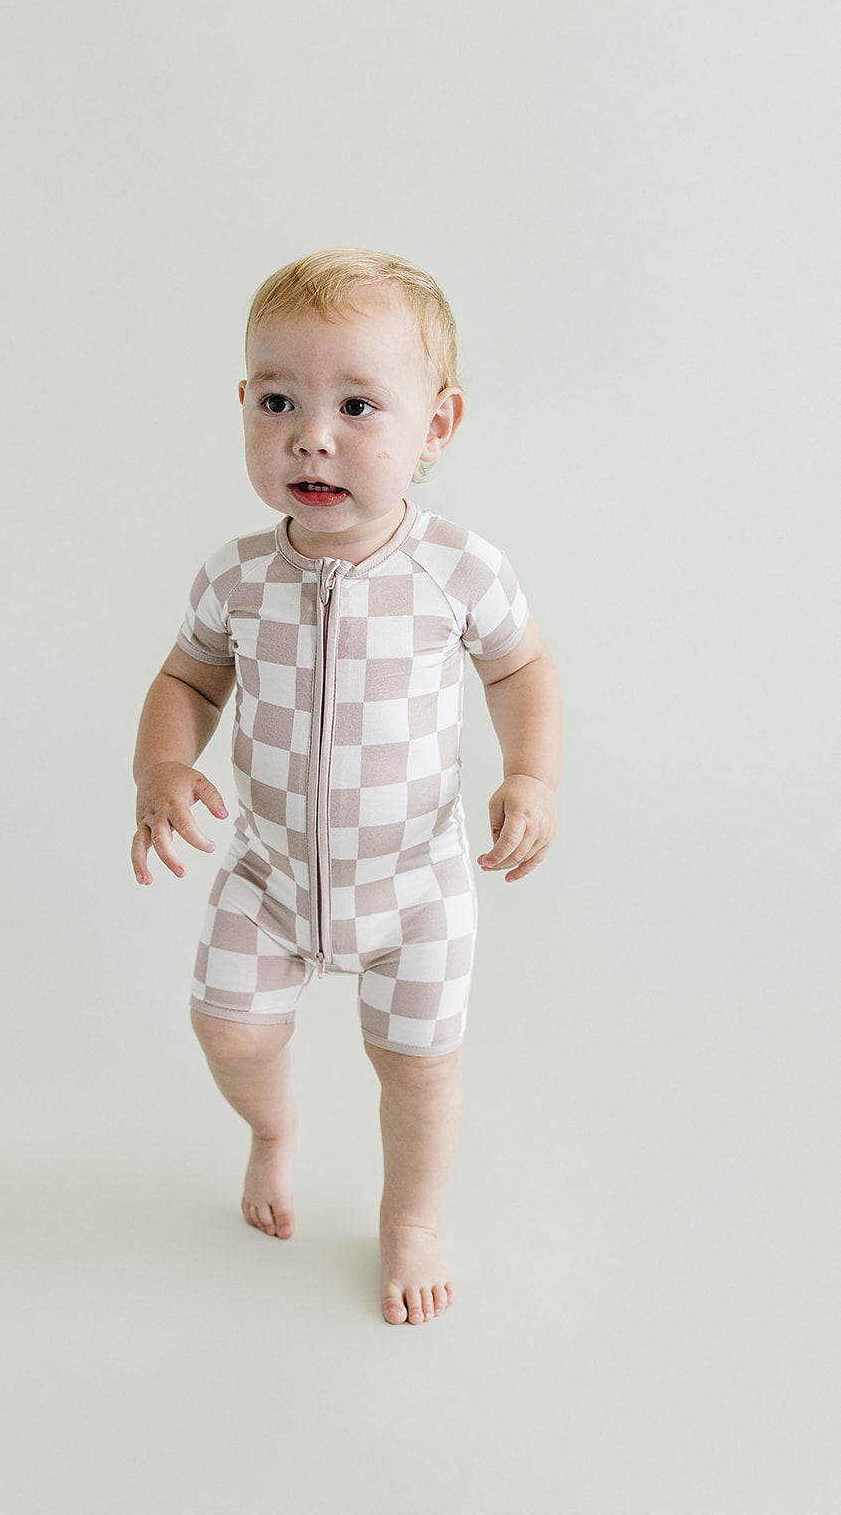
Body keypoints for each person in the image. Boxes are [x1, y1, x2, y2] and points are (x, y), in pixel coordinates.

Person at [132, 247, 562, 1325]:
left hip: (414, 885)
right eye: (278, 401)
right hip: (268, 878)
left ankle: (408, 1220)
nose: (310, 436)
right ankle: (271, 1127)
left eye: (357, 406)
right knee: (228, 1029)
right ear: (243, 405)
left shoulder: (457, 568)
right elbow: (186, 678)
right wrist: (163, 764)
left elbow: (519, 669)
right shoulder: (236, 576)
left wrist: (529, 774)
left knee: (415, 1065)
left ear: (436, 425)